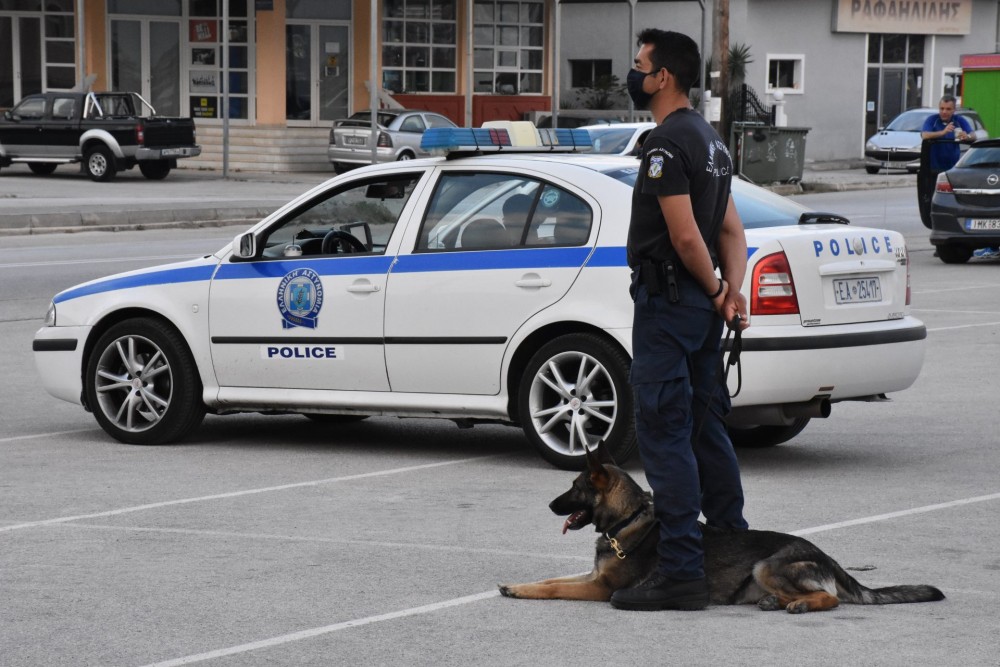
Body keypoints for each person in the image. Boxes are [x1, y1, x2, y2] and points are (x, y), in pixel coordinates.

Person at [609, 29, 750, 612]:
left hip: (670, 306)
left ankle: (682, 573)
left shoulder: (666, 143)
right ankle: (734, 548)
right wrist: (729, 295)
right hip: (700, 307)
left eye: (639, 64)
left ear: (663, 76)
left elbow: (687, 234)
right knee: (705, 428)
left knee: (665, 435)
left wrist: (717, 288)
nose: (634, 73)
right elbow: (732, 232)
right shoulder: (712, 142)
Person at [920, 94, 974, 174]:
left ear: (954, 110)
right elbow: (924, 135)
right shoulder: (932, 119)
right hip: (934, 168)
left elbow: (973, 136)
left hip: (953, 167)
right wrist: (943, 132)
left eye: (948, 109)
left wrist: (967, 136)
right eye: (942, 109)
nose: (944, 112)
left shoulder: (959, 120)